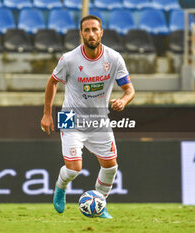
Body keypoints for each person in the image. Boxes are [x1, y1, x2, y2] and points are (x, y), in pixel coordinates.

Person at [40, 15, 135, 219]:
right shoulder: (69, 59)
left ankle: (100, 204)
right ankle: (60, 187)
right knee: (74, 169)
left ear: (101, 32)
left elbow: (129, 90)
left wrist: (124, 101)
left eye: (94, 29)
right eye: (86, 30)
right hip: (70, 117)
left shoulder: (114, 58)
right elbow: (52, 82)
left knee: (111, 166)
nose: (91, 34)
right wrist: (47, 114)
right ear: (81, 34)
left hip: (99, 119)